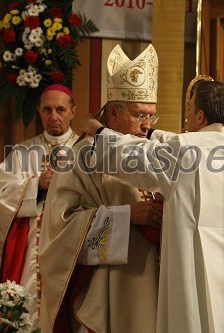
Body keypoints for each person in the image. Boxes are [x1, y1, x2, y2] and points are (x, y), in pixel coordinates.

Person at [83, 77, 224, 333]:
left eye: (189, 110)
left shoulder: (184, 153)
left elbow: (130, 157)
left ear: (200, 117)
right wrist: (151, 133)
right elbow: (178, 144)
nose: (186, 120)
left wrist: (98, 131)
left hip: (197, 270)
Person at [38, 44, 162, 333]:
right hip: (108, 289)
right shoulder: (81, 156)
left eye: (151, 116)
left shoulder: (155, 152)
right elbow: (60, 229)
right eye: (139, 115)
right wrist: (126, 215)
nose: (146, 125)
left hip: (155, 282)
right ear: (114, 113)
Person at [0, 83, 79, 330]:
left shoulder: (86, 151)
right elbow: (2, 193)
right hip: (33, 249)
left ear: (73, 111)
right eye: (47, 110)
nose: (54, 117)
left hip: (71, 244)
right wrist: (37, 184)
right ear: (39, 111)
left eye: (60, 109)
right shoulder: (21, 153)